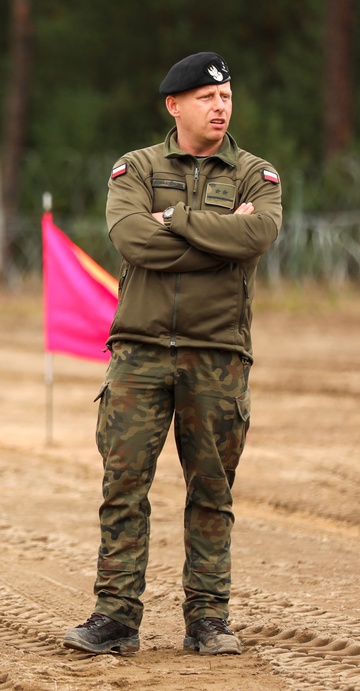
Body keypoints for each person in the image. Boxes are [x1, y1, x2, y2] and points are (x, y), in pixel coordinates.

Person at [63, 52, 282, 657]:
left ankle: (209, 619)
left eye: (227, 97)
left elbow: (258, 235)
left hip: (217, 354)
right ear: (175, 105)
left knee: (212, 490)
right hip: (139, 351)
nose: (220, 107)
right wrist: (218, 238)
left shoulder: (255, 175)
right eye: (208, 98)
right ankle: (115, 618)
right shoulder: (136, 167)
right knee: (124, 485)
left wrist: (179, 219)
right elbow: (134, 240)